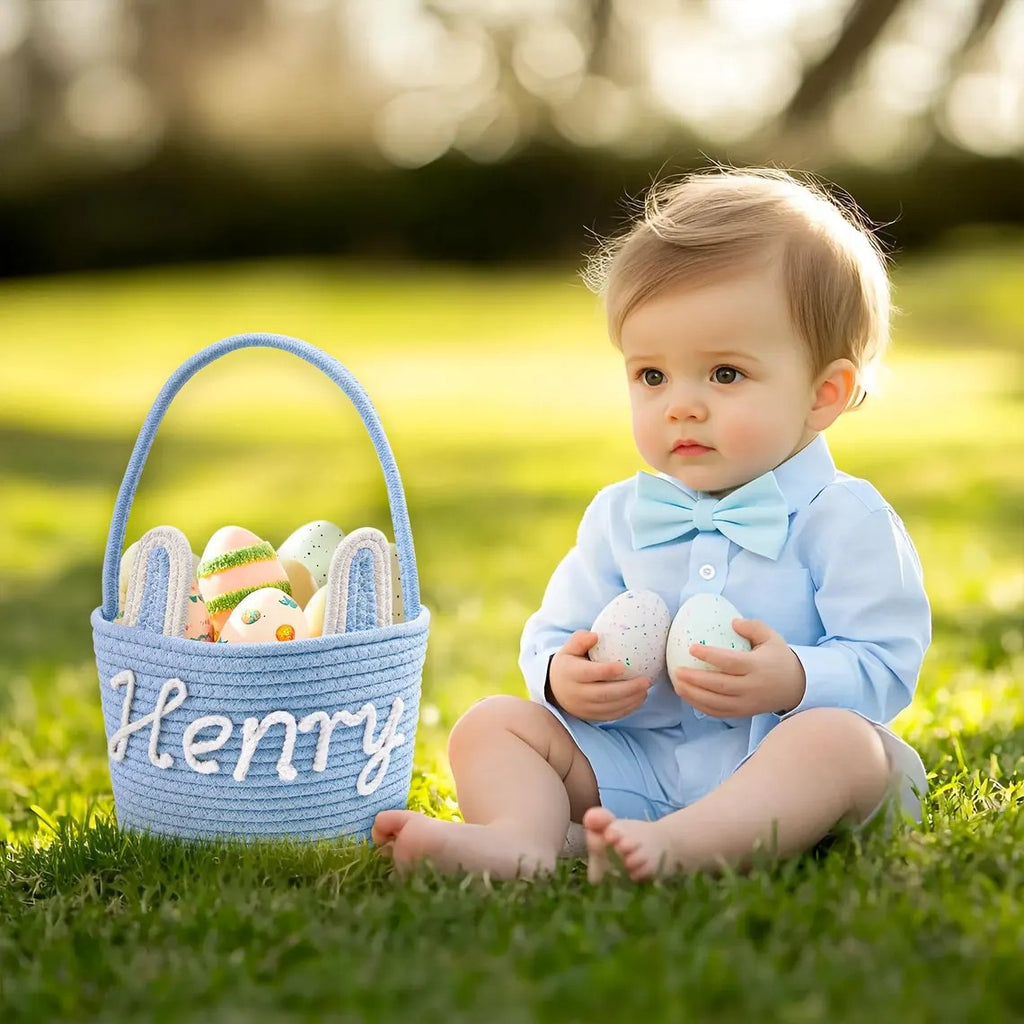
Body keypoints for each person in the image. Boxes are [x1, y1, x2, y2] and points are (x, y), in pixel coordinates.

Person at [372, 167, 931, 882]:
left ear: (825, 394)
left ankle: (681, 851)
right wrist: (562, 676)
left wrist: (794, 677)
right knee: (493, 721)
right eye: (652, 376)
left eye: (724, 374)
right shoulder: (619, 516)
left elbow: (888, 663)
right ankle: (521, 841)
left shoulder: (843, 519)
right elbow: (552, 631)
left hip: (784, 769)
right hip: (636, 763)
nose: (681, 406)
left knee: (841, 745)